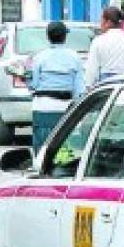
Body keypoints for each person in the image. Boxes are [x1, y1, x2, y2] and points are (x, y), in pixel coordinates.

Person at [28, 21, 86, 153]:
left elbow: (34, 84)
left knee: (42, 148)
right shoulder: (74, 57)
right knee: (67, 147)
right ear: (65, 37)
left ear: (48, 37)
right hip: (66, 108)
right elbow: (79, 89)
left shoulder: (39, 57)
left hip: (43, 107)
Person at [84, 7, 124, 89]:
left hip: (104, 86)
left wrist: (88, 86)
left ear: (108, 22)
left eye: (101, 21)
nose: (100, 24)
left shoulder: (98, 41)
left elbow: (91, 68)